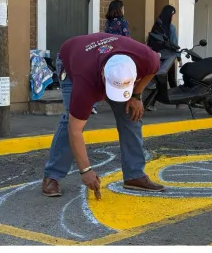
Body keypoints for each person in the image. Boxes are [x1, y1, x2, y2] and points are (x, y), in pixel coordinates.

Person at [41, 33, 164, 199]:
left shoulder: (147, 58)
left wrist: (136, 96)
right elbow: (75, 130)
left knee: (131, 114)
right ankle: (52, 176)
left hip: (98, 56)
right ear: (103, 77)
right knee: (71, 119)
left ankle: (134, 175)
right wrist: (86, 170)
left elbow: (153, 69)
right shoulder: (85, 81)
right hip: (72, 58)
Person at [146, 5, 179, 109]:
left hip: (156, 57)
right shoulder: (171, 28)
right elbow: (174, 43)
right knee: (171, 79)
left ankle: (151, 103)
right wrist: (179, 58)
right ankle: (178, 101)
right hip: (168, 58)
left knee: (159, 81)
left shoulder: (156, 26)